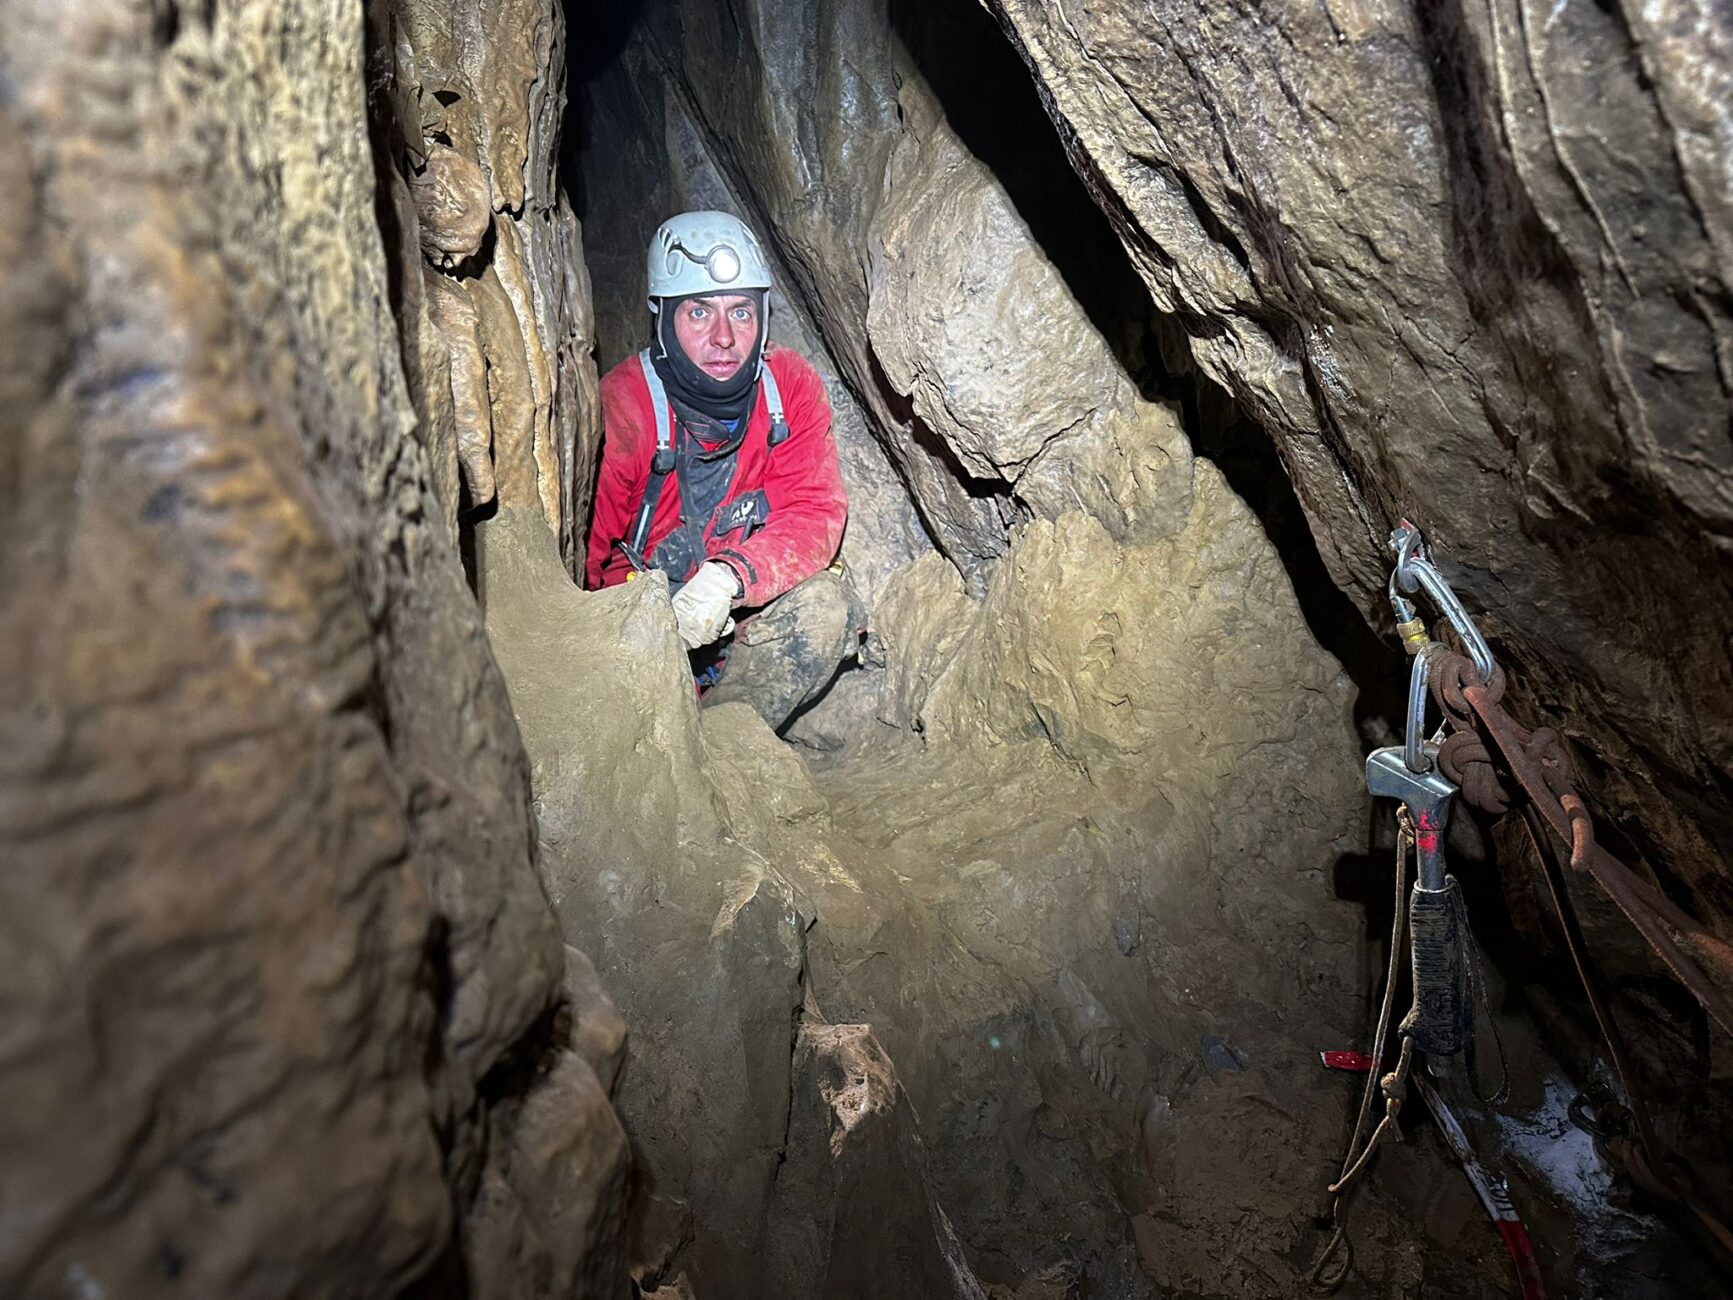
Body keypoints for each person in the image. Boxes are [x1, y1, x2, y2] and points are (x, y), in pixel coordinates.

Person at [585, 210, 858, 732]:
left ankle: (726, 740)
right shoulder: (623, 412)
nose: (724, 337)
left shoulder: (788, 389)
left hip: (735, 623)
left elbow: (813, 509)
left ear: (763, 317)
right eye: (698, 313)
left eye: (741, 312)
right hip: (642, 637)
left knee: (826, 608)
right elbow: (584, 570)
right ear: (663, 318)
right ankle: (677, 739)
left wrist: (729, 576)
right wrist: (653, 637)